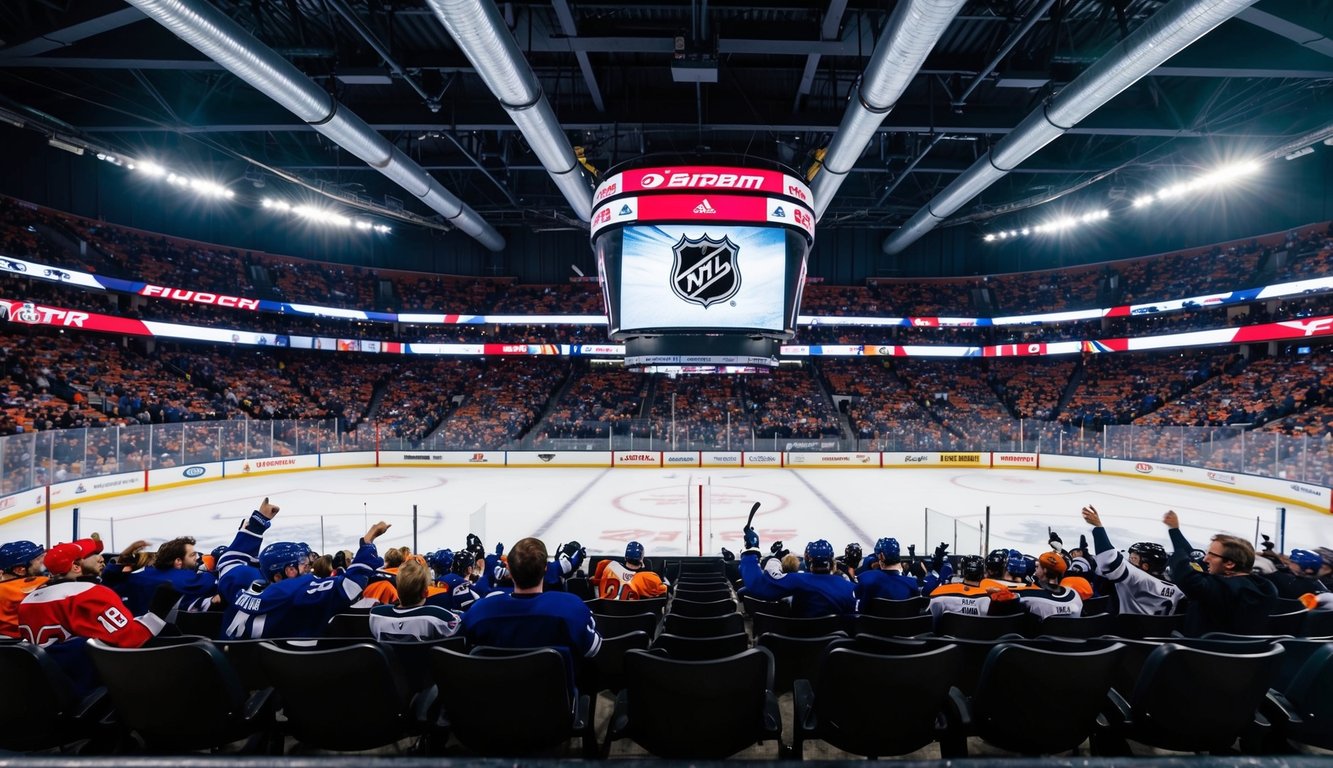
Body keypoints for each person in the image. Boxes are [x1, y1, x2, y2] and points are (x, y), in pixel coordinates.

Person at [18, 538, 179, 694]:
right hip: (86, 686)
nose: (101, 558)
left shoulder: (28, 599)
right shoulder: (88, 593)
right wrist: (156, 615)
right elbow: (130, 639)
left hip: (47, 689)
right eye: (93, 554)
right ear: (76, 566)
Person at [216, 497, 390, 639]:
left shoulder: (242, 583)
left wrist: (258, 522)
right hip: (280, 668)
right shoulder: (297, 590)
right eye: (300, 564)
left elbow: (229, 562)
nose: (308, 566)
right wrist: (368, 542)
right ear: (279, 575)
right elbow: (349, 586)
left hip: (236, 662)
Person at [458, 537, 601, 660]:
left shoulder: (480, 610)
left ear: (509, 570)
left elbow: (458, 645)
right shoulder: (571, 607)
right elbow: (592, 650)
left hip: (495, 684)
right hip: (552, 685)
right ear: (546, 568)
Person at [1162, 510, 1277, 636]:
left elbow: (1185, 575)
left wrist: (1178, 551)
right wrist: (1174, 530)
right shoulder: (1267, 588)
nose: (1205, 559)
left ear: (1229, 564)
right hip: (1250, 647)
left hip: (1202, 647)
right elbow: (1194, 561)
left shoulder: (1215, 588)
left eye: (1211, 555)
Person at [1080, 504, 1182, 616]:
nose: (1129, 560)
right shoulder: (1177, 589)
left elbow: (1108, 561)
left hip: (1124, 626)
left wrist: (1098, 527)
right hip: (1159, 627)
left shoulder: (1139, 580)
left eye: (1133, 558)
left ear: (1145, 566)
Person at [738, 528, 857, 618]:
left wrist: (751, 550)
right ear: (832, 562)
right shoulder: (850, 588)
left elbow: (757, 584)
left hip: (794, 642)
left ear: (809, 562)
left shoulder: (797, 580)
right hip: (834, 643)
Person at [114, 535, 218, 616]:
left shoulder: (137, 575)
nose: (197, 557)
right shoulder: (183, 577)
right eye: (192, 555)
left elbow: (112, 579)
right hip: (158, 632)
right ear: (178, 561)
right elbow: (211, 582)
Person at [369, 559, 461, 642]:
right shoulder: (435, 616)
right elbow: (460, 627)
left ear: (397, 590)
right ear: (425, 592)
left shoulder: (376, 614)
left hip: (388, 656)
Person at [0, 540, 47, 638]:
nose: (43, 562)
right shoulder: (39, 584)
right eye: (38, 559)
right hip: (25, 643)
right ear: (20, 570)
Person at [1015, 551, 1084, 618]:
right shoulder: (1075, 595)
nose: (1036, 568)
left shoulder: (1028, 597)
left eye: (1038, 566)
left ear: (1045, 570)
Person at [594, 541, 667, 599]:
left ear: (625, 557)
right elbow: (665, 591)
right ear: (641, 560)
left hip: (605, 612)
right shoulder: (646, 577)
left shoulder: (607, 565)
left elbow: (595, 581)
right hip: (632, 613)